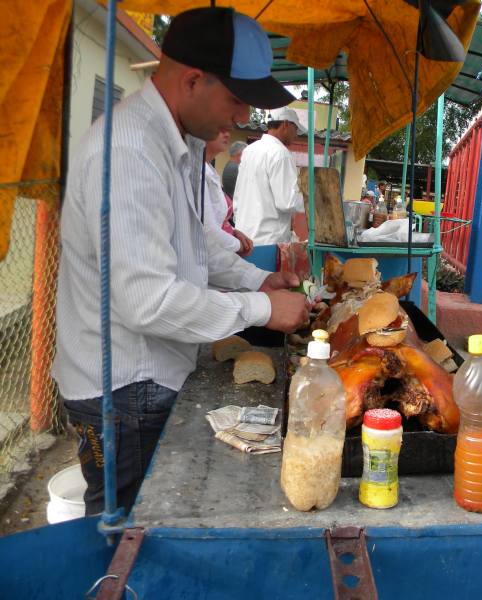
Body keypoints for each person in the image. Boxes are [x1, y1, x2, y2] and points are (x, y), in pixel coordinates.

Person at [52, 7, 308, 516]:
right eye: (237, 101)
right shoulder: (129, 149)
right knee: (128, 538)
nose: (240, 120)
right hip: (122, 391)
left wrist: (261, 278)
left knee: (154, 526)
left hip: (149, 379)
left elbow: (194, 241)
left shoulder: (179, 144)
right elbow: (148, 302)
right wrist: (260, 309)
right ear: (192, 80)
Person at [233, 106, 307, 247]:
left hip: (245, 237)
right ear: (285, 124)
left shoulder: (249, 150)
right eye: (295, 129)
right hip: (269, 241)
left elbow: (238, 197)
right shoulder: (281, 153)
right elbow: (288, 201)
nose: (296, 135)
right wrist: (312, 199)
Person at [204, 131, 253, 257]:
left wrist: (232, 231)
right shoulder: (233, 169)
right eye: (219, 129)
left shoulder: (211, 169)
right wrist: (239, 245)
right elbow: (209, 230)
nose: (227, 134)